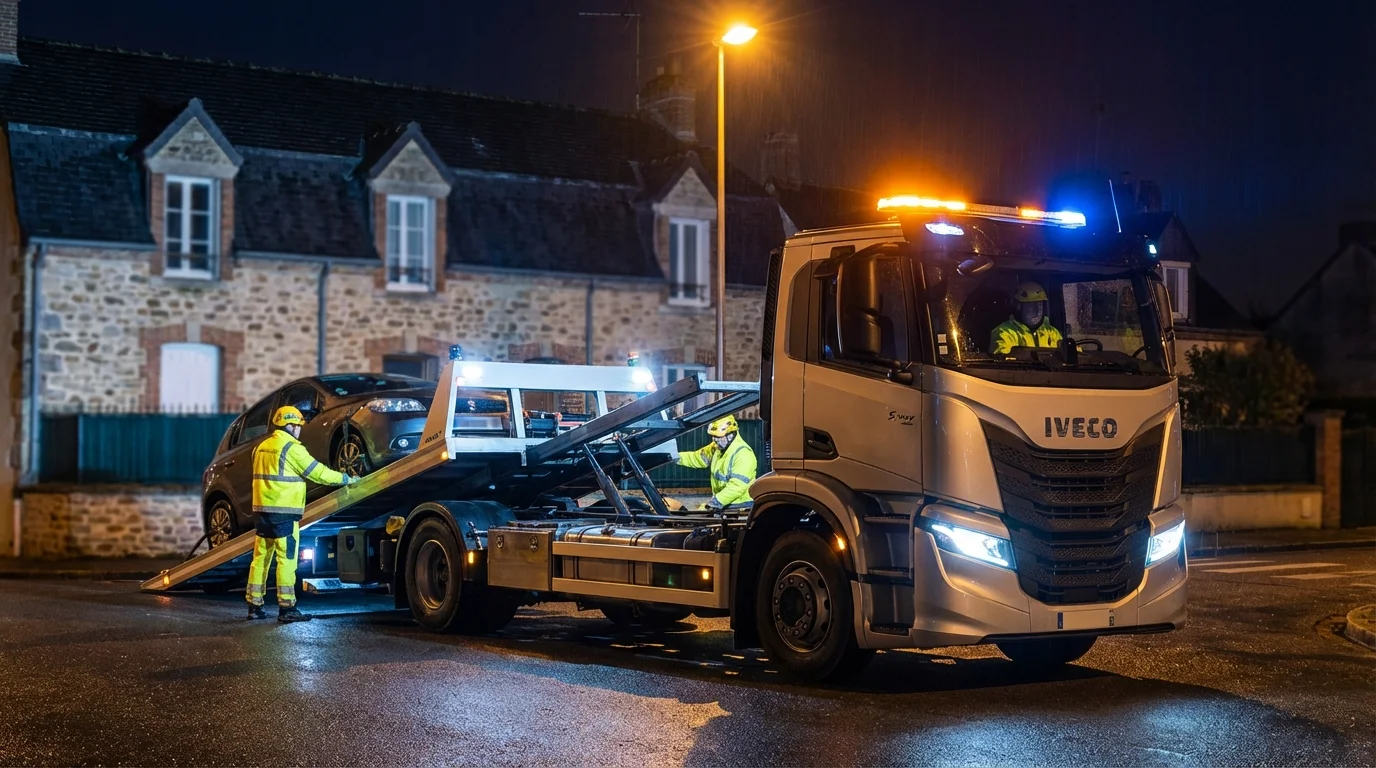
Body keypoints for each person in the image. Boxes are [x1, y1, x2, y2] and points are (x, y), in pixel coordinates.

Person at [246, 405, 357, 622]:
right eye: (298, 426)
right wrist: (345, 479)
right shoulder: (291, 448)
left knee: (260, 559)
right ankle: (287, 608)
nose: (299, 430)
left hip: (261, 512)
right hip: (284, 514)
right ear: (289, 425)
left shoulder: (260, 448)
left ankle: (254, 606)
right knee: (286, 560)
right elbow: (318, 473)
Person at [676, 415, 756, 513]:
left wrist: (715, 503)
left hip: (740, 506)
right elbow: (697, 458)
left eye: (718, 437)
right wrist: (674, 456)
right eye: (713, 436)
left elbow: (737, 486)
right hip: (724, 503)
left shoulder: (743, 454)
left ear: (731, 435)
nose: (715, 440)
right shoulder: (717, 448)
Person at [989, 281, 1064, 355]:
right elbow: (1003, 360)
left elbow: (1063, 357)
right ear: (1018, 306)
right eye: (1032, 305)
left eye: (1040, 305)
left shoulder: (1052, 332)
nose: (1038, 311)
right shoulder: (1004, 332)